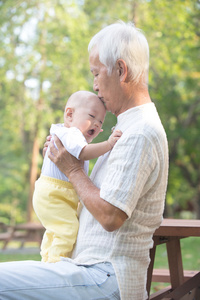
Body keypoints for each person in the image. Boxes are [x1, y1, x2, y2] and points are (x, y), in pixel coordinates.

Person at [0, 21, 168, 300]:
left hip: (106, 276)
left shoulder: (141, 132)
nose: (94, 85)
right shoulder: (128, 127)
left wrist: (72, 168)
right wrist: (61, 159)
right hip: (86, 270)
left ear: (121, 70)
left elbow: (111, 216)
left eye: (96, 73)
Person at [33, 90, 122, 263]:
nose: (96, 124)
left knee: (55, 231)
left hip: (53, 193)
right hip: (55, 194)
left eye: (100, 122)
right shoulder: (72, 133)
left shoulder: (65, 133)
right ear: (70, 114)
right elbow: (84, 153)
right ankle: (56, 266)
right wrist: (109, 143)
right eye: (91, 116)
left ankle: (47, 259)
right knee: (67, 229)